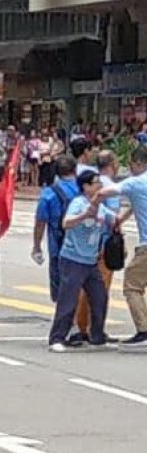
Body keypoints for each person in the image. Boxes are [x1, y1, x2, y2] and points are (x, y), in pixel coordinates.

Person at [47, 170, 114, 352]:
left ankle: (97, 335)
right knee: (68, 300)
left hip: (90, 261)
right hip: (72, 259)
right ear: (85, 186)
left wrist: (133, 209)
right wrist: (84, 216)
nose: (99, 185)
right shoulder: (78, 203)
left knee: (100, 297)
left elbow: (114, 221)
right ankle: (57, 337)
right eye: (95, 183)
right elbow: (66, 223)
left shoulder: (101, 207)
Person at [97, 145, 147, 349]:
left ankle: (143, 331)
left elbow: (108, 191)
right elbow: (137, 207)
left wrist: (92, 200)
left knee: (132, 286)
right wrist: (120, 219)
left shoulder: (136, 182)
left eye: (131, 165)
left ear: (138, 164)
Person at [72, 150, 120, 344]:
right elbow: (113, 219)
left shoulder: (93, 184)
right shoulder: (110, 188)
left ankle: (82, 325)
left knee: (85, 288)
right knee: (100, 289)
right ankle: (95, 328)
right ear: (113, 164)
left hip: (86, 244)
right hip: (103, 244)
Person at [32, 155, 78, 302]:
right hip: (83, 244)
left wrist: (37, 246)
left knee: (60, 283)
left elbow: (40, 222)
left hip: (58, 245)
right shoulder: (84, 189)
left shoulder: (49, 193)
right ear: (75, 170)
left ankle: (64, 313)